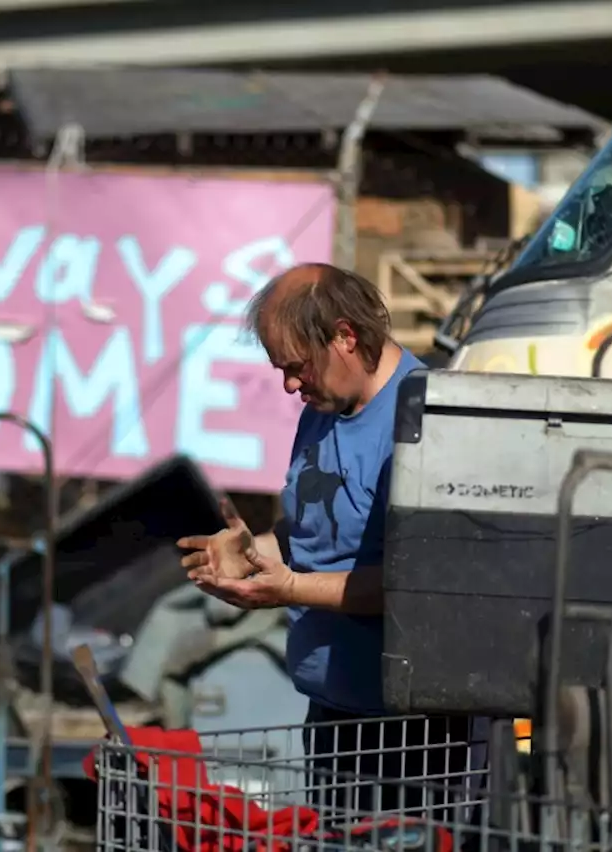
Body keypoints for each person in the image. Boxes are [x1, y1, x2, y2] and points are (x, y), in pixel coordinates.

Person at [178, 263, 471, 822]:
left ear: (345, 336)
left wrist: (288, 588)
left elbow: (417, 583)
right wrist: (255, 550)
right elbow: (317, 529)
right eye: (281, 370)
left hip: (405, 737)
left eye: (297, 367)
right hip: (333, 715)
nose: (290, 385)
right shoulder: (324, 405)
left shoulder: (424, 422)